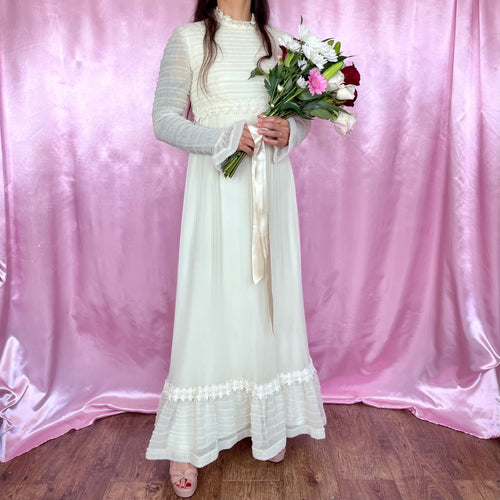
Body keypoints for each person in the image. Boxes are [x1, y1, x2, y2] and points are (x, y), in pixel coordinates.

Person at [145, 0, 327, 496]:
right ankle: (187, 439)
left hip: (272, 192)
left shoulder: (283, 43)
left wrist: (292, 131)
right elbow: (163, 119)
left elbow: (302, 119)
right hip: (217, 192)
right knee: (210, 302)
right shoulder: (188, 40)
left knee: (266, 304)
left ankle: (267, 418)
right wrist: (221, 138)